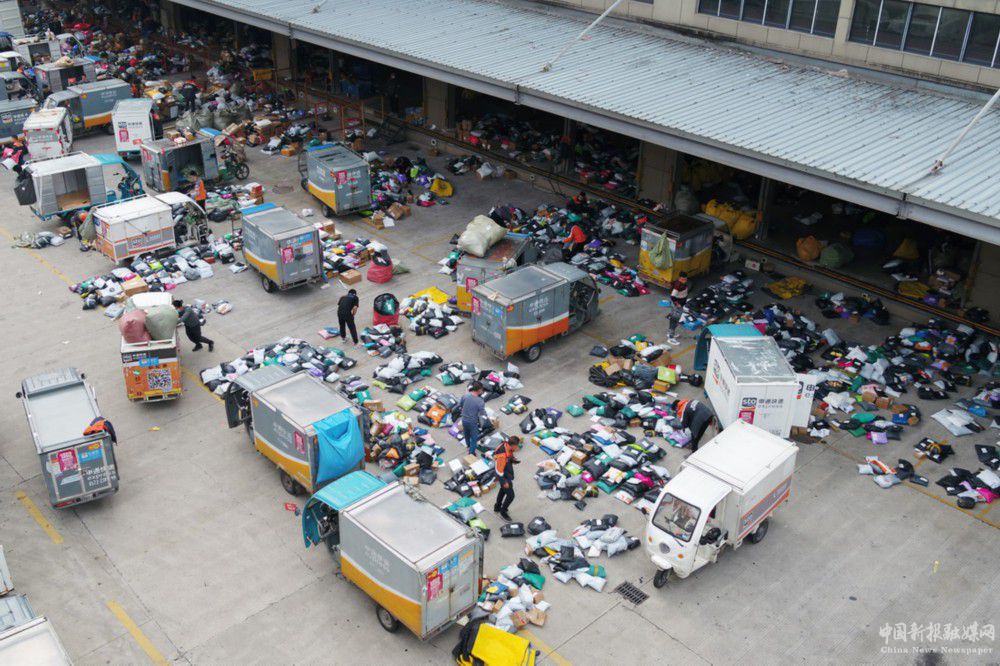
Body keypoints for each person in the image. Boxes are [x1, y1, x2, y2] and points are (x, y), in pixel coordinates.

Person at [492, 435, 522, 521]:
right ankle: (503, 512)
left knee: (502, 491)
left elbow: (506, 456)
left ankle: (497, 507)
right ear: (513, 445)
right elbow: (499, 470)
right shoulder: (503, 455)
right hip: (503, 476)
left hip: (505, 472)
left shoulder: (505, 445)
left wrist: (512, 459)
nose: (518, 447)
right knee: (511, 496)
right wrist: (504, 482)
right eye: (517, 445)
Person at [458, 382, 487, 457]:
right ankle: (471, 452)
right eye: (482, 389)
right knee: (474, 438)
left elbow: (460, 405)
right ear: (479, 390)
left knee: (466, 433)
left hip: (464, 419)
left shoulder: (465, 396)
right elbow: (482, 413)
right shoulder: (480, 401)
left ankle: (468, 445)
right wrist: (486, 416)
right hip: (472, 422)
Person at [665, 272, 689, 346]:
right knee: (674, 320)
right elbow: (672, 296)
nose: (685, 280)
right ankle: (671, 338)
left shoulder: (682, 284)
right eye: (683, 279)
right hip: (677, 306)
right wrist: (677, 304)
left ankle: (670, 333)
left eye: (685, 279)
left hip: (680, 304)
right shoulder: (677, 286)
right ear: (679, 278)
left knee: (674, 319)